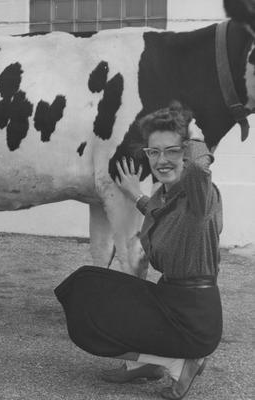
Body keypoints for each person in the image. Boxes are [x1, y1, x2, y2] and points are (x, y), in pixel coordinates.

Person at [54, 102, 223, 400]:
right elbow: (165, 217)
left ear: (185, 151)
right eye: (153, 152)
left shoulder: (201, 195)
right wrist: (137, 196)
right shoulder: (167, 195)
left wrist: (194, 131)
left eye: (172, 151)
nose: (162, 161)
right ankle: (148, 363)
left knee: (93, 313)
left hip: (193, 318)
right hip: (169, 300)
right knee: (86, 285)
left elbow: (198, 167)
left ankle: (178, 363)